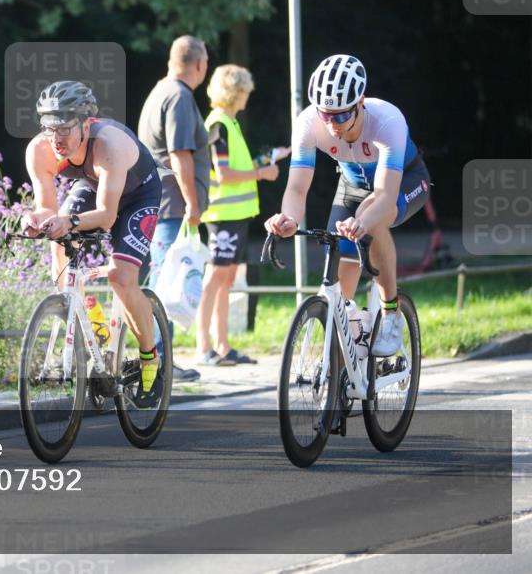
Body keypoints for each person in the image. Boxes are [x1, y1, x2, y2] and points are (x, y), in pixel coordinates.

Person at [264, 54, 431, 356]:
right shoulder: (307, 123)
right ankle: (346, 355)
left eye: (340, 116)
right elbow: (297, 188)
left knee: (373, 220)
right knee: (338, 294)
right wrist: (287, 219)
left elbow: (383, 195)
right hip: (352, 186)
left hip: (403, 181)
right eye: (325, 115)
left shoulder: (387, 121)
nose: (331, 125)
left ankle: (390, 311)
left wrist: (362, 223)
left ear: (360, 103)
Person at [24, 81, 165, 406]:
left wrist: (68, 221)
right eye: (48, 128)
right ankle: (91, 322)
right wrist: (35, 220)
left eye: (64, 129)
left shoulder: (109, 144)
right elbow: (46, 207)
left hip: (137, 193)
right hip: (92, 185)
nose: (56, 139)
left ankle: (149, 359)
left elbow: (106, 215)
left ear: (87, 124)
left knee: (121, 278)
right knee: (57, 238)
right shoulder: (40, 150)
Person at [197, 65, 288, 365]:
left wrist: (270, 157)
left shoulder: (229, 124)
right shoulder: (218, 125)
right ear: (235, 92)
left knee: (226, 279)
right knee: (215, 278)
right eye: (246, 90)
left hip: (235, 215)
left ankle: (222, 345)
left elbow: (238, 164)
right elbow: (224, 174)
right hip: (223, 215)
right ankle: (205, 347)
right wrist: (262, 172)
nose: (249, 95)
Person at [137, 35, 210, 381]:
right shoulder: (179, 97)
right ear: (198, 64)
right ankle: (159, 361)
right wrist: (192, 204)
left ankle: (158, 357)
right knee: (165, 284)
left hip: (158, 201)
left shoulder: (159, 92)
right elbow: (180, 154)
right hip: (170, 206)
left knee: (161, 281)